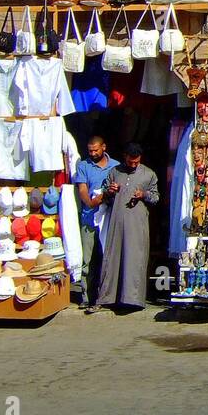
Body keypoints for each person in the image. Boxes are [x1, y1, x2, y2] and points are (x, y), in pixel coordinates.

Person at [90, 142, 159, 314]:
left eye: (136, 162)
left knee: (134, 258)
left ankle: (133, 300)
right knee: (113, 258)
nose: (133, 165)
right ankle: (108, 298)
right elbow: (104, 195)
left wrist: (144, 195)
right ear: (125, 157)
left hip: (137, 224)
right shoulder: (115, 172)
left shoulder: (148, 174)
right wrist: (110, 191)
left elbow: (156, 198)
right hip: (116, 223)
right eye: (130, 162)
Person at [72, 135, 118, 307]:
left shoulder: (115, 166)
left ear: (103, 147)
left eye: (95, 150)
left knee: (109, 257)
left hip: (109, 218)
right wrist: (91, 202)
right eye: (90, 151)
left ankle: (107, 296)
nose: (92, 153)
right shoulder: (83, 166)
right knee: (88, 259)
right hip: (89, 218)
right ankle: (87, 297)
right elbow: (82, 189)